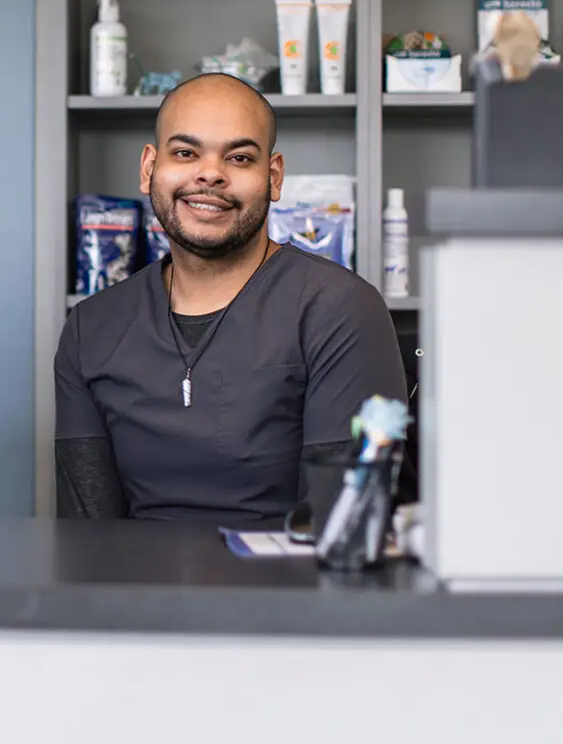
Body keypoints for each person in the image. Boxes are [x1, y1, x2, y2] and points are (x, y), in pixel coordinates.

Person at [54, 73, 408, 526]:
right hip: (133, 572)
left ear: (273, 178)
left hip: (287, 571)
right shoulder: (91, 328)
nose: (211, 174)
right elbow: (89, 530)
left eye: (239, 158)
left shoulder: (339, 309)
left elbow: (344, 523)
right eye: (186, 153)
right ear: (148, 169)